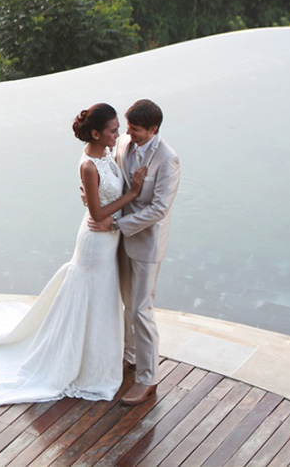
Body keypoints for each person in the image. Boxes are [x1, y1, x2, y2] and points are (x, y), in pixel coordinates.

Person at [0, 103, 147, 405]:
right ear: (96, 134)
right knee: (93, 299)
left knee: (102, 301)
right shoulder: (88, 165)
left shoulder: (107, 154)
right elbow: (97, 214)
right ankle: (82, 366)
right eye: (113, 131)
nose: (119, 135)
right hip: (96, 244)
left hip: (108, 242)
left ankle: (98, 361)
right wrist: (133, 194)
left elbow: (99, 201)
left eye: (118, 129)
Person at [88, 99, 179, 405]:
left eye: (136, 130)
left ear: (154, 129)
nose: (128, 134)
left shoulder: (168, 160)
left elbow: (159, 209)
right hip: (118, 240)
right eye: (127, 128)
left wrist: (117, 223)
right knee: (126, 304)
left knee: (141, 309)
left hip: (145, 243)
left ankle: (147, 378)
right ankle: (128, 357)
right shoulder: (125, 143)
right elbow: (111, 177)